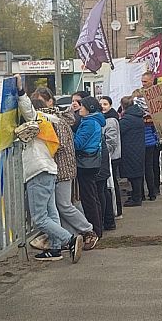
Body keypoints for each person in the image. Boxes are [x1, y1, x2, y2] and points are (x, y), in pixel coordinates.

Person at [15, 75, 84, 263]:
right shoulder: (51, 119)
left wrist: (20, 92)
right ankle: (54, 249)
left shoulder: (36, 119)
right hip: (49, 170)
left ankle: (70, 240)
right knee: (51, 213)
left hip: (38, 171)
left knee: (39, 217)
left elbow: (28, 110)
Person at [29, 87, 98, 251]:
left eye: (41, 101)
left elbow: (59, 145)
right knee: (62, 206)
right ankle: (67, 238)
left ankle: (87, 231)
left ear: (50, 101)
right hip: (62, 167)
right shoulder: (58, 118)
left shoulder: (54, 120)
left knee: (64, 205)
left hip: (61, 168)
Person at [73, 96, 105, 243]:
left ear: (89, 109)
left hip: (85, 163)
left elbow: (78, 143)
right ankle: (98, 227)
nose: (80, 108)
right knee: (93, 196)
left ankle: (95, 230)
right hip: (92, 162)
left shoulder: (89, 123)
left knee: (88, 198)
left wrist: (68, 133)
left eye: (82, 106)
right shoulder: (95, 121)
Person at [119, 96, 146, 207]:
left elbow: (119, 130)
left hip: (130, 149)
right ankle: (138, 195)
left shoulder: (127, 119)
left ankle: (136, 198)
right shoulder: (137, 116)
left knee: (134, 175)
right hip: (138, 147)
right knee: (137, 174)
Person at [100, 96, 122, 221]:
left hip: (111, 157)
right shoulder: (104, 118)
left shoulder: (111, 120)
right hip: (108, 156)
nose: (103, 106)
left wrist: (105, 152)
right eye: (101, 104)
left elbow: (112, 141)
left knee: (113, 184)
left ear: (110, 105)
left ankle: (117, 210)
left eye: (105, 104)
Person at [140, 72, 161, 198]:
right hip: (147, 134)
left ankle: (155, 188)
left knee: (154, 164)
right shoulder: (139, 96)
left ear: (152, 81)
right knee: (148, 165)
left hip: (155, 135)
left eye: (145, 81)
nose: (143, 84)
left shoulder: (158, 94)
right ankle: (151, 190)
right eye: (142, 81)